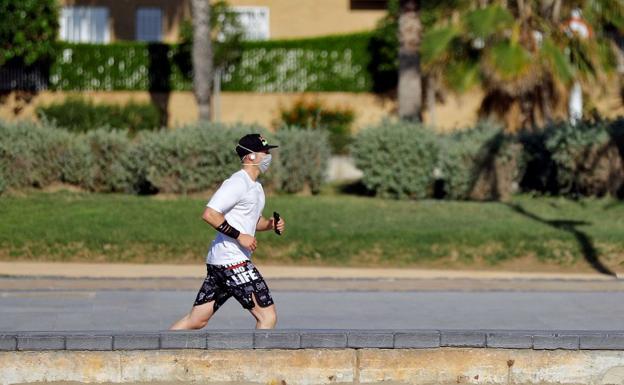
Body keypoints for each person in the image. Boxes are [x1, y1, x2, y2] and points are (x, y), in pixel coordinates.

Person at [169, 133, 285, 330]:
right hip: (233, 262)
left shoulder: (256, 187)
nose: (268, 156)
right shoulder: (237, 182)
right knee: (267, 317)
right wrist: (240, 237)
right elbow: (210, 214)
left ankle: (159, 348)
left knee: (196, 320)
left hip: (221, 263)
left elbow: (252, 221)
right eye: (264, 152)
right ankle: (255, 361)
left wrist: (270, 224)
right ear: (250, 156)